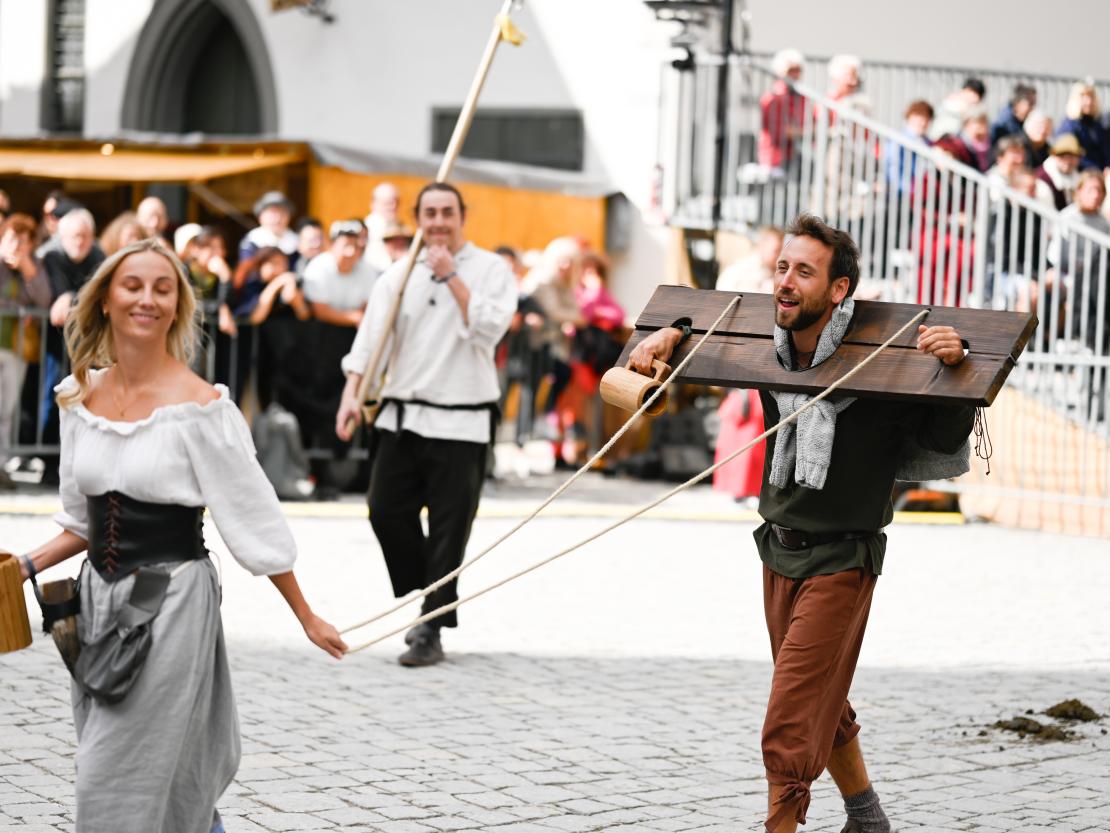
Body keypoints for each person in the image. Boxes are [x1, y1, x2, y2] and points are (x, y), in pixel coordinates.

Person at [628, 213, 974, 833]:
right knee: (819, 694)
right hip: (777, 548)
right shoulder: (776, 349)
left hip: (843, 558)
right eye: (781, 268)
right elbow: (701, 322)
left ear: (838, 289)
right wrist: (670, 335)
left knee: (790, 717)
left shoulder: (884, 367)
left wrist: (955, 373)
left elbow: (937, 435)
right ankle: (867, 815)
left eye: (804, 272)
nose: (785, 282)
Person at [15, 236, 345, 833]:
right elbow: (79, 521)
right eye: (133, 286)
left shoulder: (203, 410)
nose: (148, 299)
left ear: (177, 307)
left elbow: (254, 520)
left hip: (170, 603)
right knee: (150, 763)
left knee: (113, 769)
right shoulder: (79, 397)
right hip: (96, 603)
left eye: (163, 289)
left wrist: (307, 615)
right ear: (106, 301)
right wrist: (23, 566)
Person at [335, 182, 516, 666]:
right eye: (430, 213)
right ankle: (432, 589)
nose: (438, 221)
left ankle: (430, 625)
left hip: (464, 419)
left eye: (447, 212)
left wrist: (453, 276)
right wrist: (351, 396)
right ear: (417, 218)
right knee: (385, 511)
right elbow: (369, 343)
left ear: (462, 216)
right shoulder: (396, 276)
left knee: (449, 530)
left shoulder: (490, 270)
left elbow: (489, 331)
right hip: (403, 414)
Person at [0, 214, 52, 489]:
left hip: (16, 347)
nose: (16, 246)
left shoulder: (33, 267)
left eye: (22, 241)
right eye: (11, 239)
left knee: (6, 409)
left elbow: (44, 299)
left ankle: (1, 464)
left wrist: (27, 268)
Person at [759, 48, 806, 174]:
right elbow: (781, 131)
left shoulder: (801, 98)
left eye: (798, 70)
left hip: (796, 157)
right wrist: (809, 132)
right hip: (775, 159)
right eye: (791, 70)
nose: (795, 75)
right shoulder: (772, 98)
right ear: (779, 73)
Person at [1057, 80, 1110, 174]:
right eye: (1084, 98)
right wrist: (1097, 171)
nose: (1088, 102)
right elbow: (1073, 155)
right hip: (1083, 174)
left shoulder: (1097, 126)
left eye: (1091, 97)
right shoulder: (1070, 126)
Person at [239, 191, 299, 265]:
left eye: (282, 213)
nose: (278, 218)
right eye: (273, 213)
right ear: (261, 217)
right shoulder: (251, 241)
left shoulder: (298, 242)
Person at [718, 227, 784, 293]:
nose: (780, 257)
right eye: (777, 251)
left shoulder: (774, 271)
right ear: (762, 246)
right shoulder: (741, 272)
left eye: (782, 251)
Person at [1037, 133, 1084, 210]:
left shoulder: (1078, 178)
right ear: (1055, 156)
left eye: (1072, 157)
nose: (1068, 161)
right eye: (1063, 156)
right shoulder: (1043, 178)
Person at [362, 181, 401, 271]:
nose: (393, 206)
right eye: (388, 203)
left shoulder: (399, 226)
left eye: (396, 202)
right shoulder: (367, 229)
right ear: (374, 204)